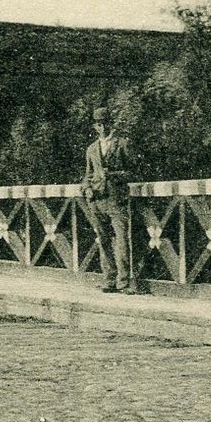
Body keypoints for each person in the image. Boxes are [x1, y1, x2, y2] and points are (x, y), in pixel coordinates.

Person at [82, 106, 142, 294]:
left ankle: (123, 282)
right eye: (99, 124)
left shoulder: (122, 144)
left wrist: (114, 175)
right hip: (97, 201)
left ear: (111, 123)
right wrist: (86, 189)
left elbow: (134, 172)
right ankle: (109, 279)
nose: (102, 127)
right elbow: (87, 175)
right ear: (95, 126)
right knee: (104, 240)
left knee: (123, 240)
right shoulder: (91, 149)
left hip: (117, 200)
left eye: (105, 123)